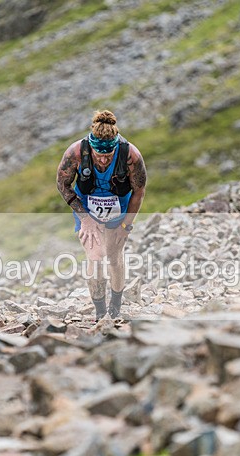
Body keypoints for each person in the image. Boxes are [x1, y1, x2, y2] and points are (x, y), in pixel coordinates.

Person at [56, 110, 147, 320]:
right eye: (99, 155)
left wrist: (126, 226)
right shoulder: (76, 153)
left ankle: (115, 305)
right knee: (96, 257)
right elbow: (62, 185)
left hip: (118, 207)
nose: (104, 160)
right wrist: (85, 218)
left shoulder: (131, 155)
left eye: (109, 155)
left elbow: (139, 191)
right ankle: (100, 312)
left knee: (114, 257)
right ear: (92, 147)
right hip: (87, 207)